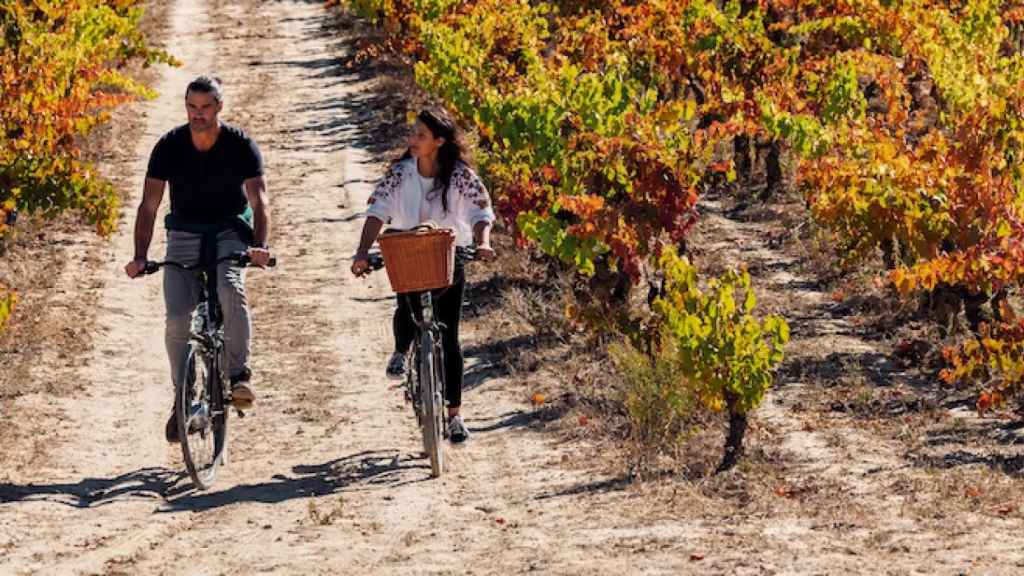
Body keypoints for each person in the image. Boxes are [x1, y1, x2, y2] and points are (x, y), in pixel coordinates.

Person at [124, 75, 272, 443]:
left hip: (229, 230)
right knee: (176, 319)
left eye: (206, 107)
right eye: (192, 107)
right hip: (185, 233)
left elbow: (260, 201)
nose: (198, 114)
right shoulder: (169, 146)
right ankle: (183, 396)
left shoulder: (240, 146)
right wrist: (140, 256)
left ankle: (238, 376)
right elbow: (149, 205)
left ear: (219, 107)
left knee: (229, 286)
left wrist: (259, 246)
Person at [350, 108, 496, 444]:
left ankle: (455, 415)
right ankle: (401, 351)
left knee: (450, 336)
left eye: (420, 135)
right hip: (406, 246)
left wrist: (483, 243)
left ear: (439, 142)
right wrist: (362, 252)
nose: (412, 140)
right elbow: (378, 210)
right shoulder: (400, 173)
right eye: (413, 133)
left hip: (446, 252)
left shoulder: (459, 175)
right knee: (407, 307)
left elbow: (479, 211)